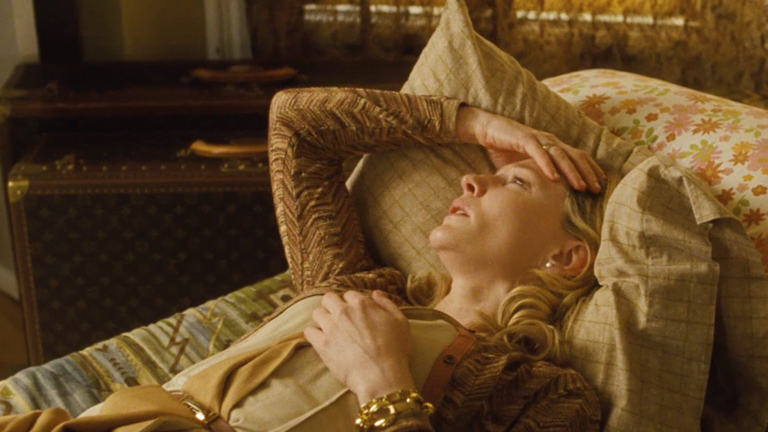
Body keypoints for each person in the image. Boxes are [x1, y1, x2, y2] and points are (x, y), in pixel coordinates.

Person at [0, 87, 612, 432]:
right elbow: (297, 124)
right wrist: (473, 124)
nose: (472, 180)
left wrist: (384, 384)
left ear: (567, 256)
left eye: (517, 183)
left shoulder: (544, 394)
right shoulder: (358, 282)